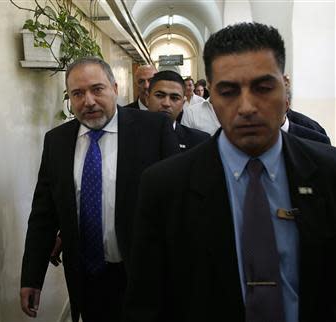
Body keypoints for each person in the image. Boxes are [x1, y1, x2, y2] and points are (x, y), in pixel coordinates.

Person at [124, 22, 336, 322]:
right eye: (229, 91)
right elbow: (147, 303)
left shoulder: (329, 173)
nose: (247, 106)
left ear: (284, 87)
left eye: (263, 88)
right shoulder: (165, 186)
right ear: (210, 95)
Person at [20, 57, 179, 322]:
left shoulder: (153, 130)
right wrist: (32, 277)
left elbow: (177, 206)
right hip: (88, 279)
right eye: (78, 93)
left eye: (97, 89)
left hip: (145, 277)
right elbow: (43, 216)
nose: (89, 101)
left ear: (115, 88)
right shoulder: (57, 142)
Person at [146, 70, 209, 151]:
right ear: (147, 99)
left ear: (183, 104)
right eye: (159, 95)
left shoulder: (199, 143)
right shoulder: (127, 137)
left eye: (174, 98)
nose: (166, 103)